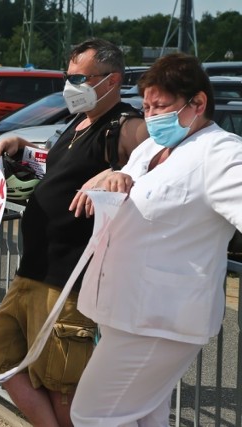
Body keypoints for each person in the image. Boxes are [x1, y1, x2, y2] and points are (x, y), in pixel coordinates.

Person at [70, 53, 242, 425]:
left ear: (198, 103)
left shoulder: (223, 154)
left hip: (161, 317)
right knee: (146, 415)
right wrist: (112, 176)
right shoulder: (153, 149)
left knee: (92, 415)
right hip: (126, 308)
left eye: (161, 106)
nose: (151, 116)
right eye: (146, 106)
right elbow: (131, 184)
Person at [0, 38, 147, 426]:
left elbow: (162, 157)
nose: (70, 85)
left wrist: (124, 172)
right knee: (1, 359)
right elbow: (61, 170)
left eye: (79, 78)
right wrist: (22, 147)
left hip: (70, 278)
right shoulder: (80, 121)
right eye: (67, 76)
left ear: (112, 81)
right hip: (33, 268)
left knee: (61, 384)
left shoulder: (125, 125)